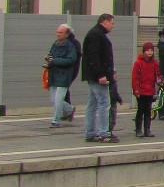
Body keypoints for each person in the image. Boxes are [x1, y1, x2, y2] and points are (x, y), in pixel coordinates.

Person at [82, 13, 117, 143]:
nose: (112, 26)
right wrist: (101, 75)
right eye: (112, 23)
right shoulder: (97, 35)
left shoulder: (96, 33)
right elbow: (94, 56)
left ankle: (90, 132)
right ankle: (104, 133)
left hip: (93, 75)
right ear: (105, 22)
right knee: (104, 102)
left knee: (92, 104)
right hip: (97, 76)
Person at [45, 23, 79, 127]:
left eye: (60, 32)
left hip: (64, 75)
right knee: (54, 100)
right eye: (57, 32)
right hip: (53, 74)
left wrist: (54, 61)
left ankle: (55, 121)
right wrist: (49, 60)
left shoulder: (71, 46)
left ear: (67, 34)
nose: (58, 34)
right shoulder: (55, 44)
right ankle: (69, 109)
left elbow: (71, 60)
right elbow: (51, 55)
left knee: (58, 100)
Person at [131, 42, 160, 138]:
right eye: (147, 50)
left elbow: (157, 74)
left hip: (150, 91)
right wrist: (136, 90)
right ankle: (138, 129)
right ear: (143, 51)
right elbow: (135, 78)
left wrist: (159, 80)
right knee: (140, 110)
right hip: (141, 91)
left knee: (148, 110)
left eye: (151, 50)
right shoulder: (138, 63)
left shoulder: (154, 63)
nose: (150, 52)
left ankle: (147, 129)